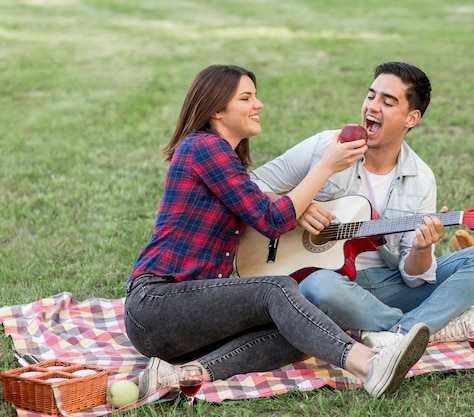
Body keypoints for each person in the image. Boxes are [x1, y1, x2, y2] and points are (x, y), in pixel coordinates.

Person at [124, 64, 431, 401]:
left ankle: (181, 375)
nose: (259, 104)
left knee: (303, 323)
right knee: (278, 290)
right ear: (216, 109)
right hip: (156, 305)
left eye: (255, 96)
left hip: (193, 319)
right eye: (246, 97)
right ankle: (369, 364)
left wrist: (301, 202)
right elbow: (272, 219)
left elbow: (265, 206)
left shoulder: (227, 160)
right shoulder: (203, 148)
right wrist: (326, 165)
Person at [250, 62, 474, 349]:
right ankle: (423, 327)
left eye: (388, 101)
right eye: (371, 96)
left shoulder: (420, 179)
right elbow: (251, 183)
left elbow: (413, 278)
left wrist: (422, 249)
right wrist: (297, 209)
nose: (373, 107)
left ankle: (396, 332)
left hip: (387, 285)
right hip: (326, 282)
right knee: (317, 286)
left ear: (411, 118)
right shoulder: (326, 146)